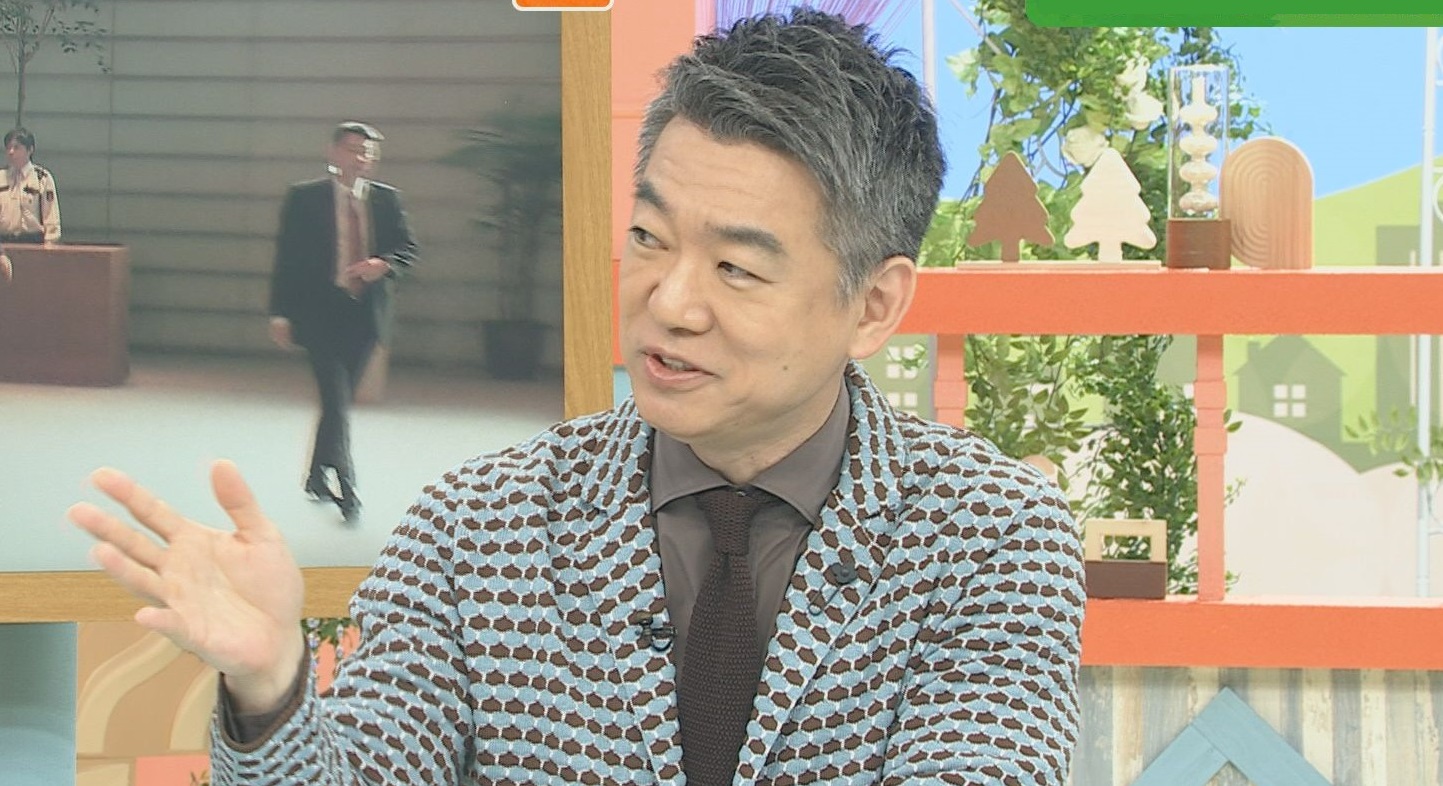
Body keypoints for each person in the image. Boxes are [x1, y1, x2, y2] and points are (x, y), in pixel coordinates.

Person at [68, 10, 1084, 786]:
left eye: (736, 267)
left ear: (874, 304)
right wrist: (270, 687)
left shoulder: (992, 534)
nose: (668, 303)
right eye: (648, 238)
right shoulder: (474, 527)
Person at [266, 121, 417, 523]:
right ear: (333, 152)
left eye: (368, 152)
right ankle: (346, 486)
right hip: (318, 311)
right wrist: (280, 313)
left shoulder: (386, 200)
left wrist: (383, 264)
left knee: (337, 402)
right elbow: (286, 258)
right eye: (353, 149)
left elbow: (407, 248)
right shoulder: (304, 198)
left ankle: (316, 475)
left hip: (364, 314)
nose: (362, 158)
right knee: (335, 399)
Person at [0, 127, 61, 244]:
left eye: (16, 147)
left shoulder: (41, 178)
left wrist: (50, 244)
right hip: (4, 242)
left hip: (32, 242)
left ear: (30, 150)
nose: (11, 152)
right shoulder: (1, 177)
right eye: (8, 148)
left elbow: (51, 217)